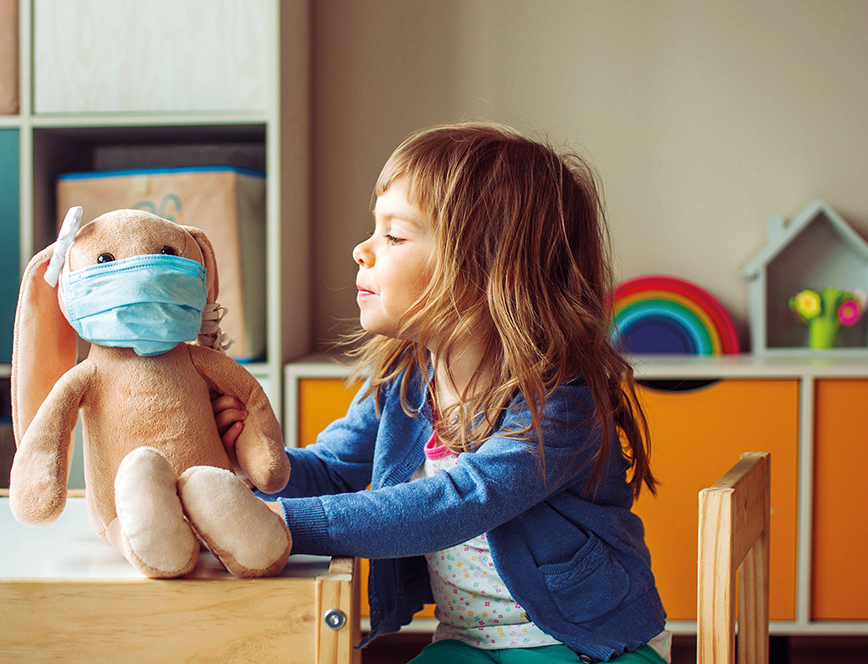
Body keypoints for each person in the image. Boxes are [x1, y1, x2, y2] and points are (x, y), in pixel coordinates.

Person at [214, 121, 669, 663]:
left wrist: (282, 526)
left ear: (485, 268)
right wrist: (250, 464)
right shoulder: (404, 382)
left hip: (587, 643)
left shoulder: (560, 402)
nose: (362, 249)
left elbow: (454, 503)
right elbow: (333, 470)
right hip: (468, 642)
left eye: (395, 235)